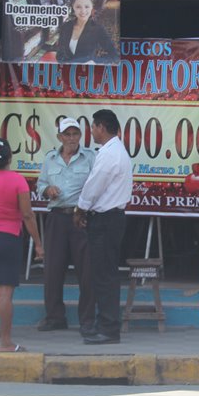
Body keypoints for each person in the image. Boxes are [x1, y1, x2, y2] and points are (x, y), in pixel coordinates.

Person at [0, 138, 44, 351]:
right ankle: (5, 342)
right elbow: (27, 215)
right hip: (8, 238)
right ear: (9, 157)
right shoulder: (17, 181)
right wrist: (39, 244)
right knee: (5, 293)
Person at [74, 109, 133, 344]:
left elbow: (93, 186)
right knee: (104, 274)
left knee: (104, 275)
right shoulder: (114, 151)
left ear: (100, 127)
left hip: (106, 220)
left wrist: (80, 209)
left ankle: (108, 328)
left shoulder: (110, 154)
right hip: (110, 218)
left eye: (93, 127)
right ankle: (104, 324)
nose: (92, 131)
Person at [35, 117, 96, 335]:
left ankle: (87, 319)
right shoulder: (50, 158)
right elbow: (40, 184)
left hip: (82, 217)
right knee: (53, 269)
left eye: (75, 134)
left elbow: (98, 184)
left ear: (81, 136)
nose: (71, 138)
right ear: (59, 137)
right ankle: (54, 317)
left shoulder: (90, 157)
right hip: (57, 218)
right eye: (67, 134)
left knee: (86, 270)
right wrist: (46, 190)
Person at [55, 0, 118, 64]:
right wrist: (64, 63)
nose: (83, 11)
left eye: (87, 7)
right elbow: (59, 55)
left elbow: (114, 55)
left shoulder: (97, 29)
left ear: (92, 8)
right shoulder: (65, 26)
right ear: (73, 8)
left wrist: (95, 61)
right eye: (78, 7)